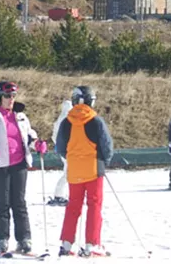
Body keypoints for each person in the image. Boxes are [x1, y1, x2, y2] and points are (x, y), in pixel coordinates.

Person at [0, 81, 43, 256]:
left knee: (19, 202)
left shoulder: (21, 116)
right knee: (3, 203)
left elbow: (29, 136)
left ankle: (24, 239)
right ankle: (2, 239)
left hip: (19, 163)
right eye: (7, 96)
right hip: (0, 165)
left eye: (13, 96)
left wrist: (37, 144)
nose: (11, 99)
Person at [56, 85, 113, 258]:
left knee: (73, 206)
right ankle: (92, 244)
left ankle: (66, 244)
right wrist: (104, 162)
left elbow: (60, 147)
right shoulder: (95, 120)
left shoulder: (66, 122)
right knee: (94, 206)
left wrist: (73, 159)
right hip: (93, 169)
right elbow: (106, 146)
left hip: (74, 171)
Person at [49, 95, 73, 206]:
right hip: (69, 150)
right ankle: (59, 195)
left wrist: (58, 145)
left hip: (63, 149)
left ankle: (60, 194)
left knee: (68, 172)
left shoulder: (60, 119)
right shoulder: (68, 119)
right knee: (69, 172)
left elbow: (54, 136)